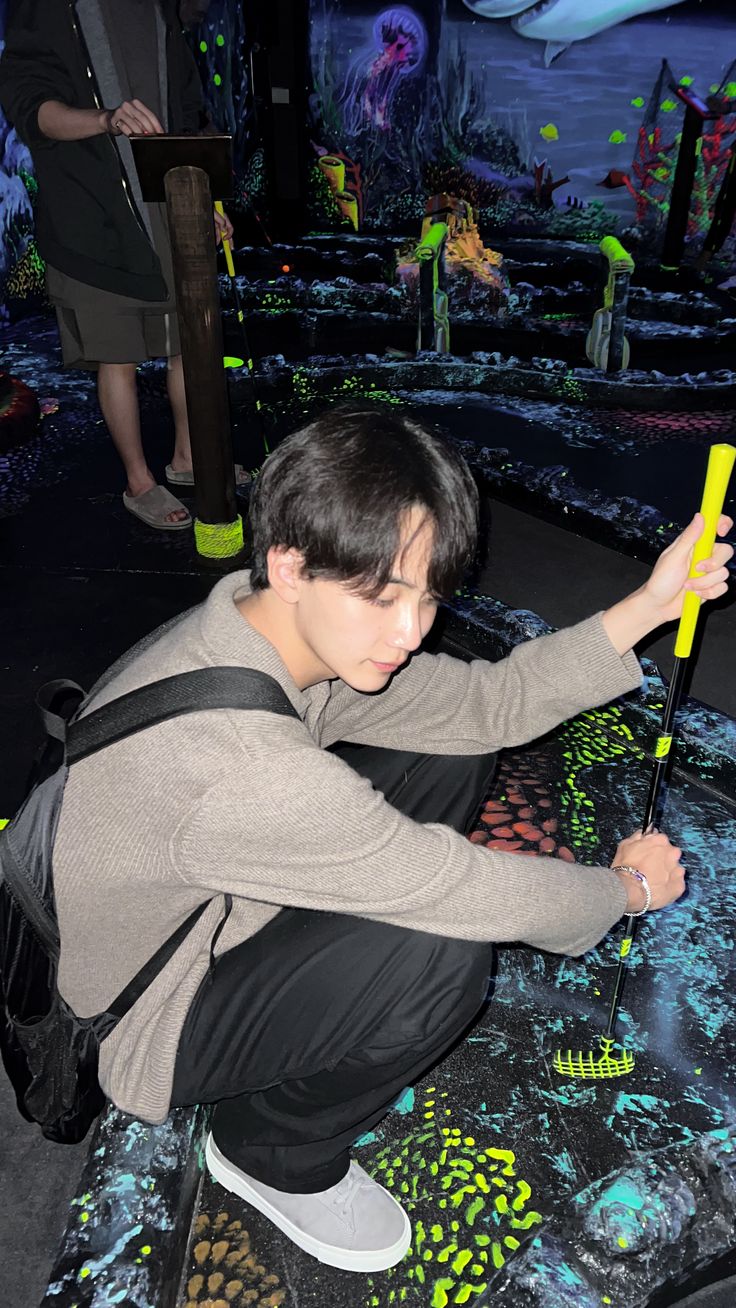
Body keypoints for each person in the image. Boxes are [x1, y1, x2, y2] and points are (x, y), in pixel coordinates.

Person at [50, 408, 731, 1273]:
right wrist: (626, 891)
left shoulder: (253, 625)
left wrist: (652, 603)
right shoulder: (240, 763)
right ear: (292, 564)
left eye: (428, 593)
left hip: (206, 901)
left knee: (452, 738)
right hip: (140, 1015)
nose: (412, 630)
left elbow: (489, 702)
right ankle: (269, 1153)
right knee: (440, 954)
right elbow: (462, 889)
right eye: (382, 595)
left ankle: (352, 958)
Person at [0, 0, 245, 532]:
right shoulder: (47, 9)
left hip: (168, 207)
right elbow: (29, 105)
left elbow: (186, 111)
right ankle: (138, 480)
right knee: (118, 355)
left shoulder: (161, 11)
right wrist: (106, 119)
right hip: (92, 214)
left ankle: (189, 457)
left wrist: (206, 201)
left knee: (189, 340)